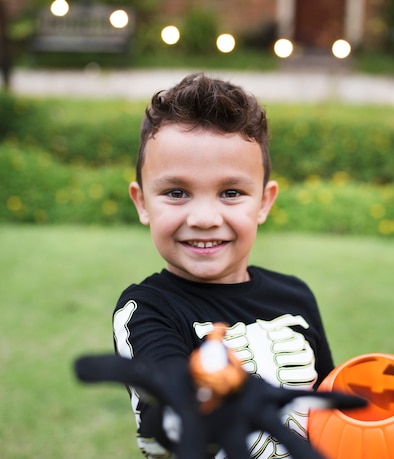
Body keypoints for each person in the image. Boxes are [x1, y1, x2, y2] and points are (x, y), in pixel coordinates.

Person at [113, 73, 334, 459]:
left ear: (264, 201)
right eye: (176, 192)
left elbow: (334, 419)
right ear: (142, 202)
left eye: (231, 193)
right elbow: (170, 409)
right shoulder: (146, 310)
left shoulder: (295, 296)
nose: (203, 217)